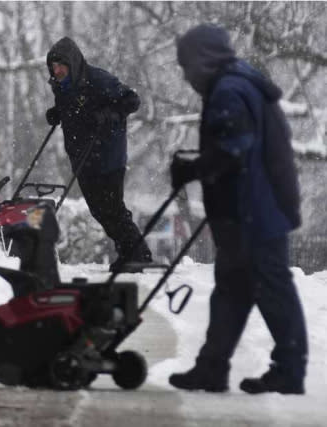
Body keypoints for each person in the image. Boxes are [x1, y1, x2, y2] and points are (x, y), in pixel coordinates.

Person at [168, 23, 308, 395]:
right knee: (232, 290)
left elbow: (233, 150)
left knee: (272, 288)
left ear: (202, 60)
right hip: (250, 208)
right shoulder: (238, 82)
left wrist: (192, 169)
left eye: (186, 66)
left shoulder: (229, 90)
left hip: (254, 211)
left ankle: (289, 371)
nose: (185, 75)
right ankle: (212, 368)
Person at [45, 37, 152, 273]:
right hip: (81, 158)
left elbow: (132, 100)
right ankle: (129, 251)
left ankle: (138, 253)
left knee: (112, 207)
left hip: (108, 156)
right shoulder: (61, 86)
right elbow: (74, 111)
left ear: (72, 63)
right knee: (99, 210)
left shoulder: (98, 79)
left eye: (61, 65)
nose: (57, 70)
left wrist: (110, 115)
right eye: (54, 66)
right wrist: (57, 113)